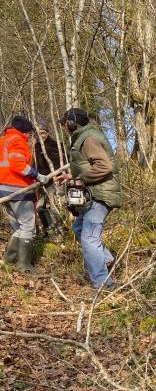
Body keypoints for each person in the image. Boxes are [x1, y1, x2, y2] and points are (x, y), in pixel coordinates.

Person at [56, 108, 121, 289]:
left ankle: (103, 284)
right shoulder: (85, 137)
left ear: (72, 124)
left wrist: (80, 179)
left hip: (101, 195)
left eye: (65, 124)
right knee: (78, 227)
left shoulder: (89, 139)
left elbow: (104, 166)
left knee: (89, 239)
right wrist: (71, 176)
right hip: (95, 193)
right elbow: (89, 165)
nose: (64, 128)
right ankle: (106, 259)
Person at [0, 116, 49, 272]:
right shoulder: (18, 140)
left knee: (19, 227)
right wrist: (36, 175)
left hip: (4, 189)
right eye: (29, 133)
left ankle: (9, 260)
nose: (29, 137)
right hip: (18, 189)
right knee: (28, 226)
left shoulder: (3, 140)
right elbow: (17, 164)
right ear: (24, 132)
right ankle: (24, 265)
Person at [34, 117, 64, 237]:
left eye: (43, 132)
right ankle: (49, 230)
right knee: (40, 207)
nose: (41, 135)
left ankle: (59, 231)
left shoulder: (55, 145)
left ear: (48, 132)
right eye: (38, 133)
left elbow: (60, 163)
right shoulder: (34, 147)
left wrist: (57, 177)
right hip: (40, 183)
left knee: (54, 207)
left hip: (54, 181)